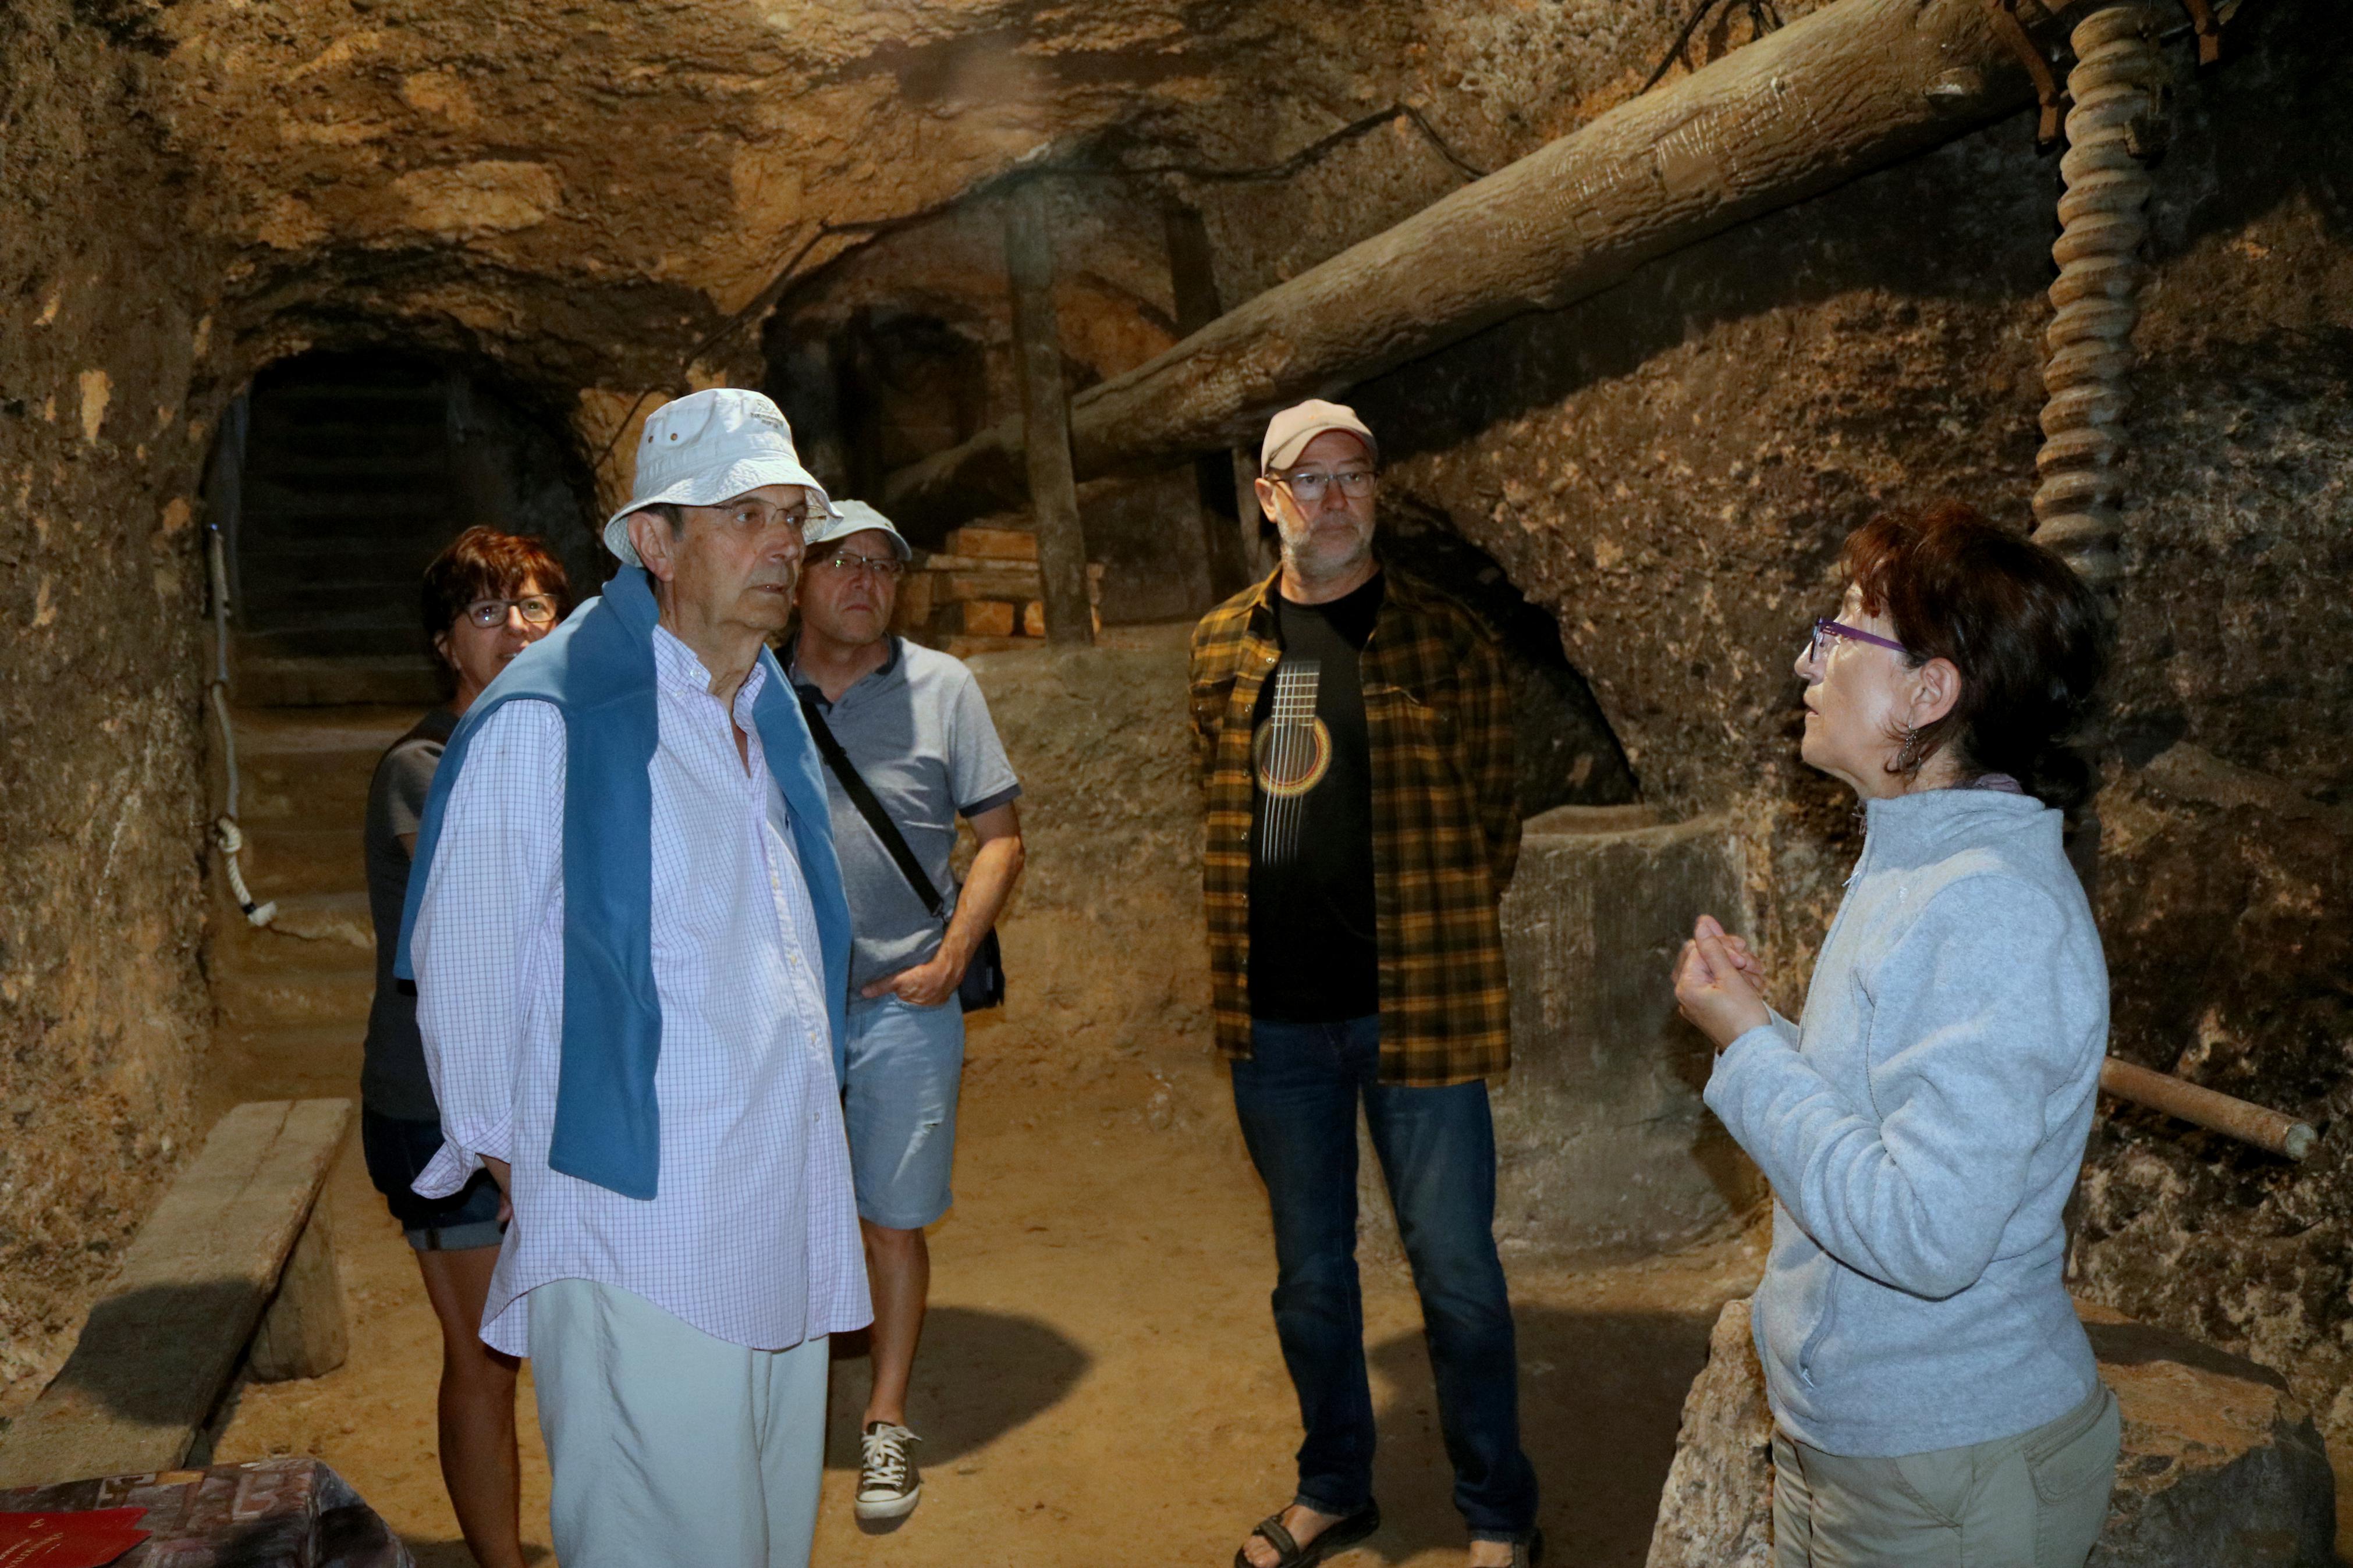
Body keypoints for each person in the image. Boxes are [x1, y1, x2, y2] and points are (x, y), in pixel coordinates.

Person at [398, 388, 869, 1568]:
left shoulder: (762, 710)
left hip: (775, 1204)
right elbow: (464, 973)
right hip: (643, 1229)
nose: (781, 545)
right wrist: (534, 1166)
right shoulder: (550, 718)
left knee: (762, 1542)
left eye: (792, 517)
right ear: (655, 542)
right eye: (744, 515)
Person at [1670, 501, 2117, 1568]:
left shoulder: (1988, 906)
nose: (1806, 661)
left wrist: (1751, 1051)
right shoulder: (1920, 863)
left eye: (1839, 632)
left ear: (1930, 693)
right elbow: (1884, 1117)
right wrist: (1768, 1030)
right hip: (1871, 1444)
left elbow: (1926, 1234)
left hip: (1943, 1467)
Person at [1188, 399, 1541, 1568]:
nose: (1334, 499)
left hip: (1417, 1009)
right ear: (1269, 499)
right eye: (1310, 478)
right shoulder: (1221, 644)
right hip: (1277, 1024)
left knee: (1458, 1276)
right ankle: (1334, 1486)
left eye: (1354, 476)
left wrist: (1423, 926)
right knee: (1310, 1280)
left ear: (1376, 493)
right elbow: (1221, 807)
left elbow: (1494, 819)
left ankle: (1498, 1511)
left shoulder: (1448, 643)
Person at [783, 498, 1026, 1524]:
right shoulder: (750, 688)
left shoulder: (944, 688)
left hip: (903, 1003)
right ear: (796, 575)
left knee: (891, 1219)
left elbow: (1001, 837)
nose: (864, 581)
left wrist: (953, 955)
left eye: (882, 565)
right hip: (780, 1016)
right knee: (780, 1215)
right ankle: (781, 1421)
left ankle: (884, 1419)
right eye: (841, 560)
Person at [361, 525, 570, 1568]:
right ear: (447, 643)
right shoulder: (425, 767)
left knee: (569, 1344)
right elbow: (495, 907)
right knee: (488, 1355)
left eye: (533, 607)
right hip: (441, 1105)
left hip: (545, 1096)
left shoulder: (560, 747)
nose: (516, 630)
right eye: (487, 612)